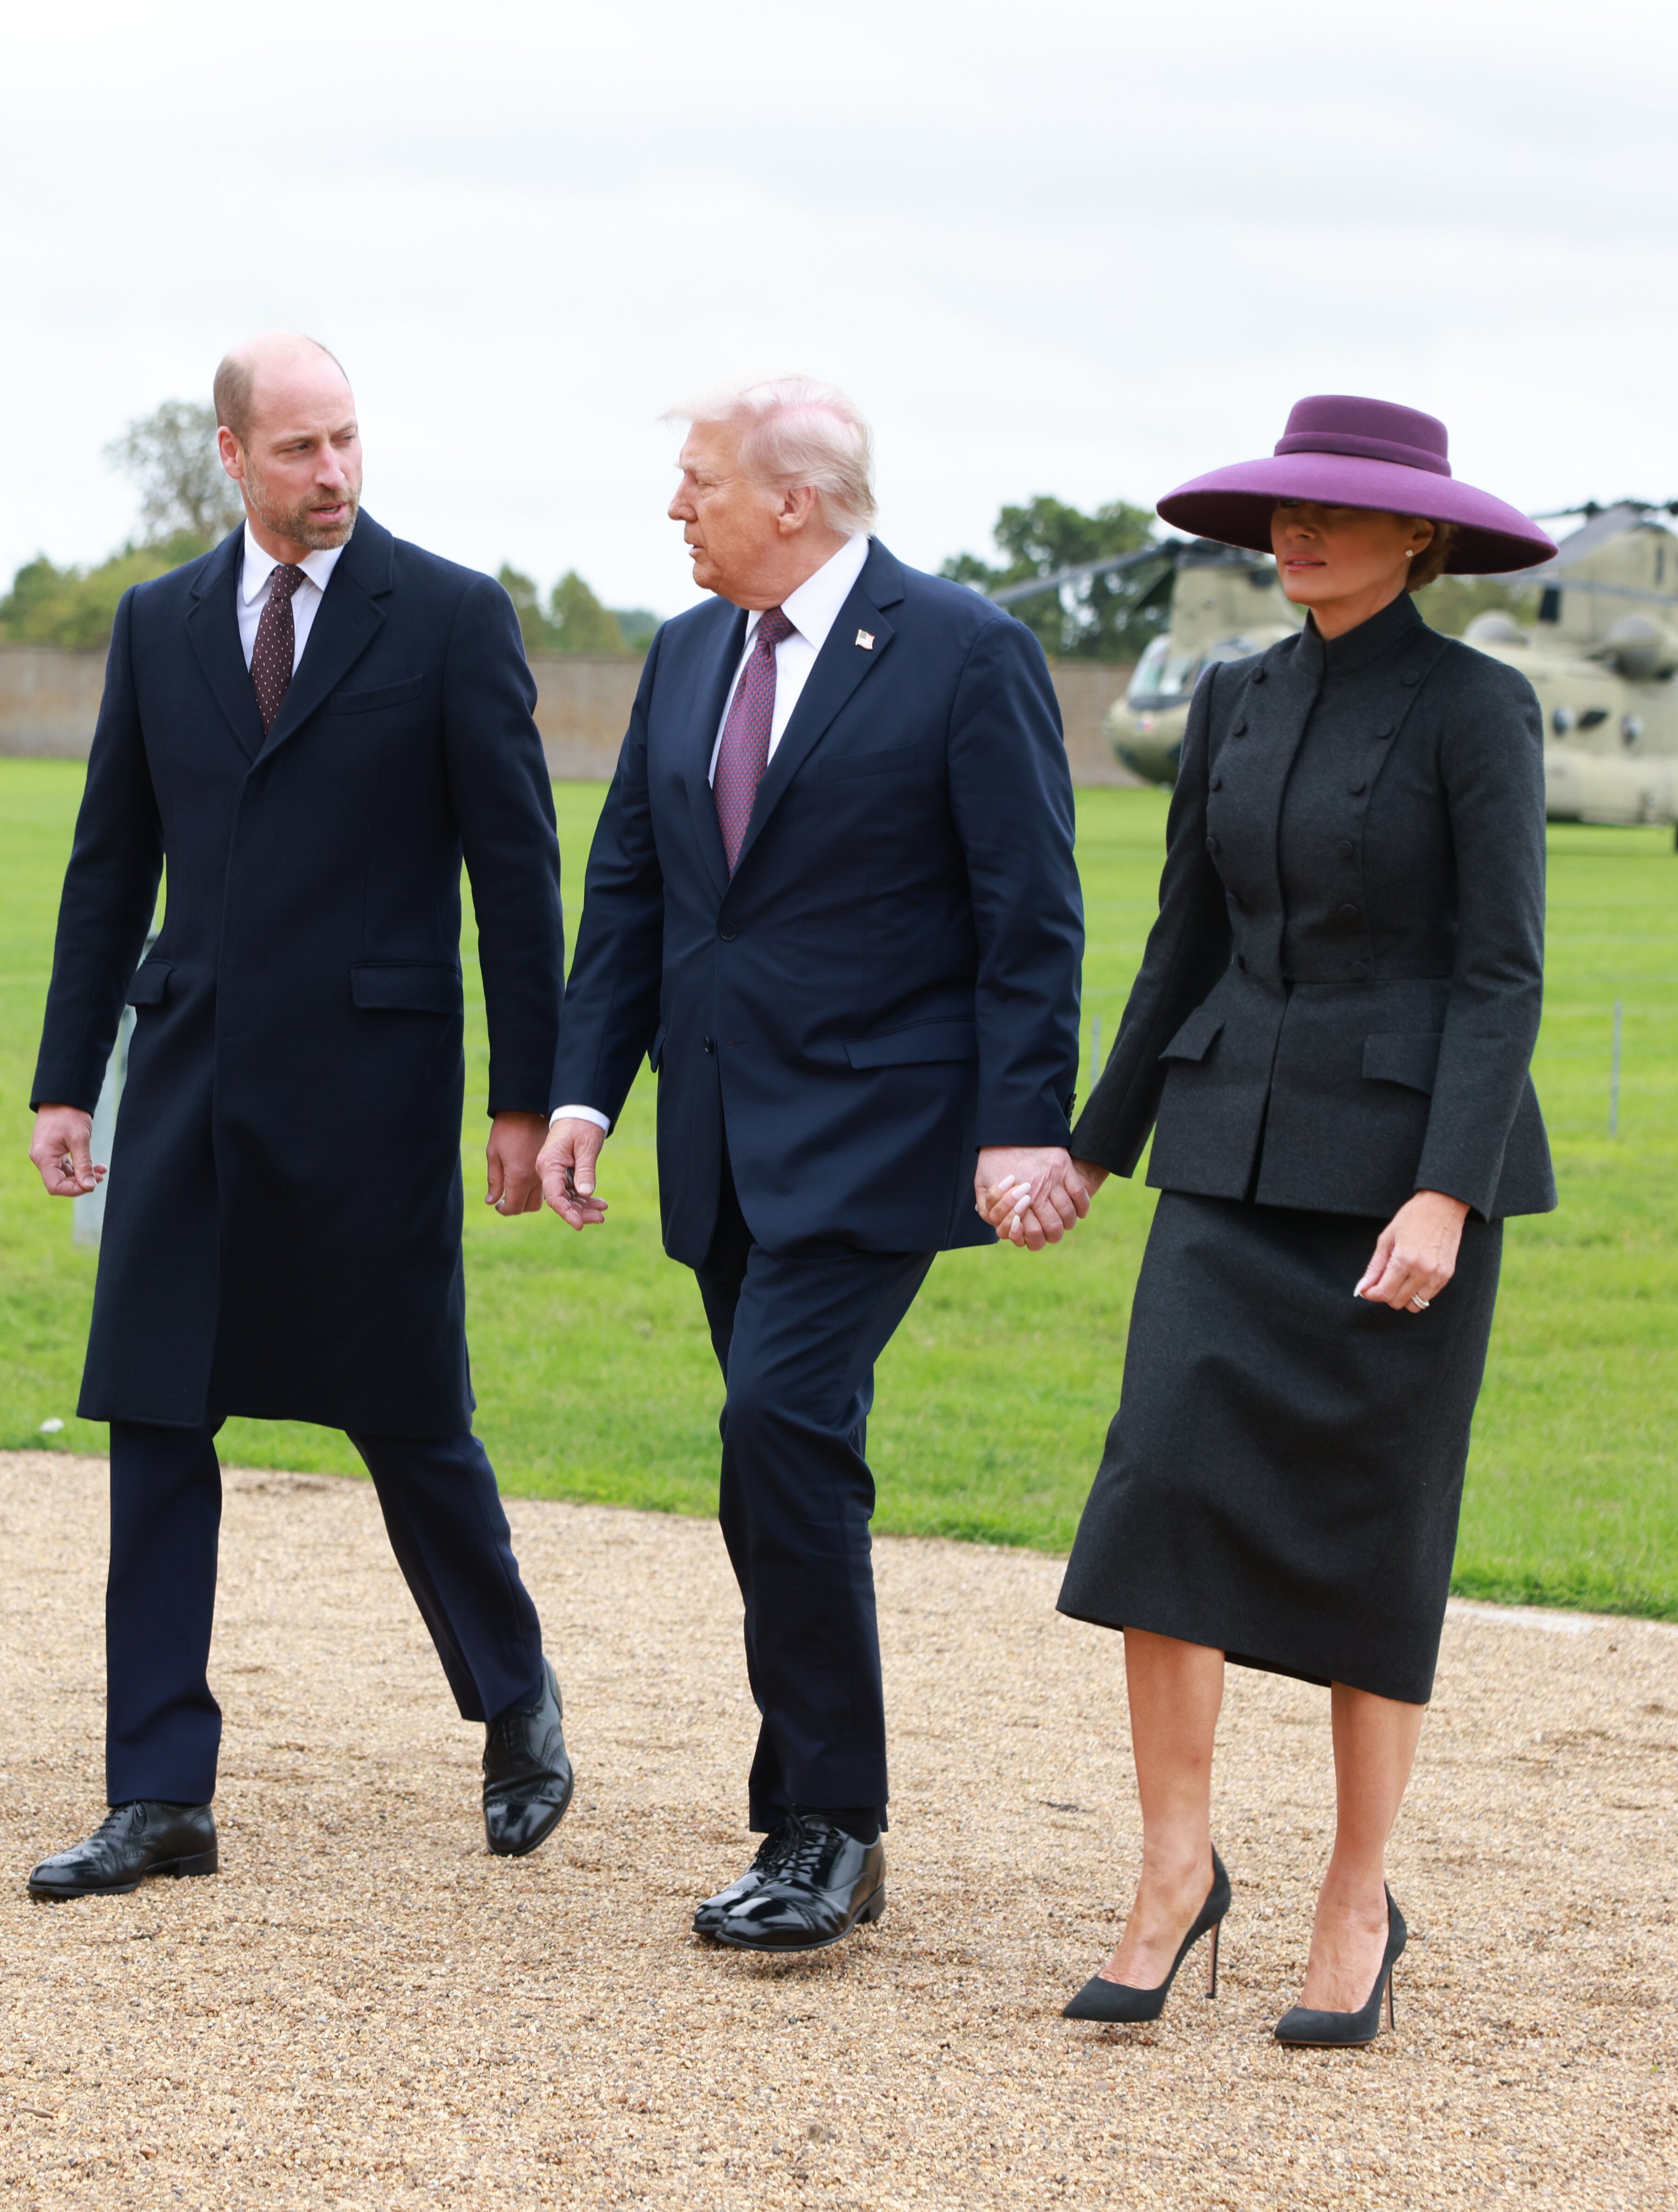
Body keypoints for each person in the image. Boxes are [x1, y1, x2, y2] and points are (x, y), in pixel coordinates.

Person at [539, 375, 1089, 1954]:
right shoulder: (686, 651)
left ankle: (829, 1828)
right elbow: (632, 893)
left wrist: (1019, 1121)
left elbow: (1027, 909)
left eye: (696, 482)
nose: (674, 508)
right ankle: (807, 1804)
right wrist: (588, 1094)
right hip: (717, 1132)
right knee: (774, 1459)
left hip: (879, 1131)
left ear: (793, 500)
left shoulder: (963, 650)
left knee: (780, 1421)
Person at [22, 333, 575, 1897]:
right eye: (298, 450)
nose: (332, 474)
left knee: (407, 1417)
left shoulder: (452, 617)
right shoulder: (159, 624)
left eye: (346, 442)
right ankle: (160, 1790)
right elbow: (106, 864)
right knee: (154, 1413)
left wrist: (526, 1100)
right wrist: (69, 1079)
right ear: (229, 456)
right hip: (185, 1074)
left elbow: (515, 885)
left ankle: (513, 1690)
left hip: (375, 1092)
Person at [1049, 394, 1558, 2044]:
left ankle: (1356, 1893)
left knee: (1367, 1531)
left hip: (1397, 1188)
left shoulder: (1479, 710)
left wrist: (1445, 1189)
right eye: (1283, 511)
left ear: (1418, 538)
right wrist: (1091, 1151)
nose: (1298, 535)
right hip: (1223, 1162)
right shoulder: (1232, 700)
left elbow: (1499, 971)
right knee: (1158, 1506)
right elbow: (1180, 939)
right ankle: (1174, 1870)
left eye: (1334, 514)